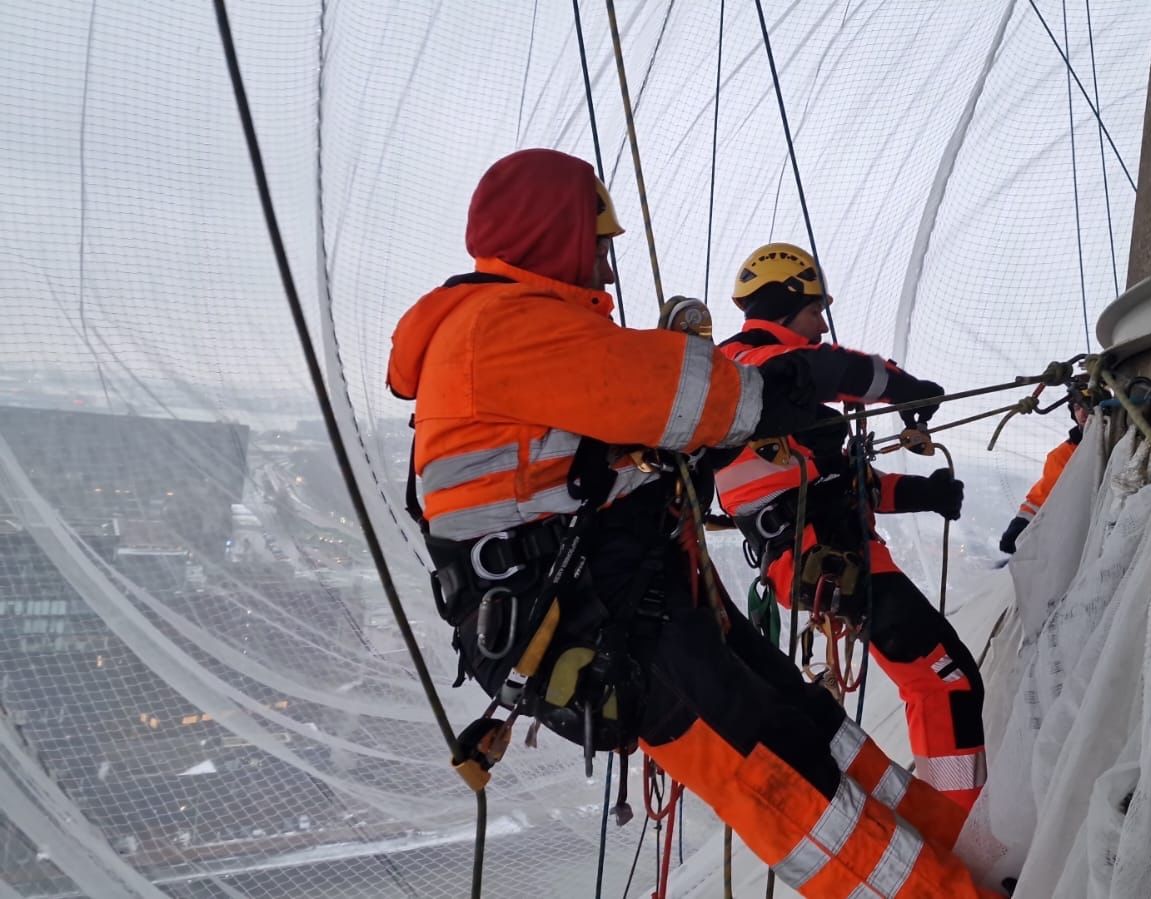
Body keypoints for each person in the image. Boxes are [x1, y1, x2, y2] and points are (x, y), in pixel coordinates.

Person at [386, 151, 996, 898]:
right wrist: (814, 389)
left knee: (808, 730)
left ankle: (979, 861)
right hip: (597, 617)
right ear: (556, 235)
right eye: (599, 246)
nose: (607, 272)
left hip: (626, 595)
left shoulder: (515, 332)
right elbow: (709, 400)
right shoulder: (506, 330)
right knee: (780, 785)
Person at [714, 242, 989, 813]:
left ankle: (957, 823)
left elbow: (840, 484)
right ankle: (961, 830)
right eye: (815, 311)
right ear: (786, 304)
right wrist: (901, 384)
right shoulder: (744, 364)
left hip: (832, 551)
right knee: (944, 682)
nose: (820, 326)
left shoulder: (782, 395)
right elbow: (824, 368)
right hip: (822, 555)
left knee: (946, 678)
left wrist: (922, 493)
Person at [998, 405, 1091, 554]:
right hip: (1077, 535)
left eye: (1088, 404)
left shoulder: (1123, 440)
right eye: (1077, 408)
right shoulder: (1062, 456)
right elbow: (1043, 496)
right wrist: (1022, 523)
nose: (1082, 412)